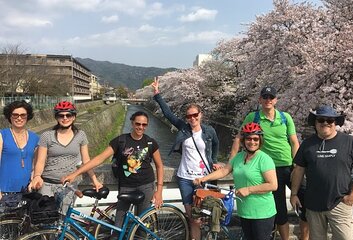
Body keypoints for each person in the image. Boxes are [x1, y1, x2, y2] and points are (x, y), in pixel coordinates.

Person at [62, 111, 164, 230]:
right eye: (138, 123)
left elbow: (159, 166)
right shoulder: (121, 141)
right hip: (126, 186)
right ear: (132, 123)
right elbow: (100, 158)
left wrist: (159, 191)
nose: (140, 127)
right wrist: (75, 174)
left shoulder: (150, 142)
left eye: (144, 125)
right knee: (118, 225)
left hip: (147, 185)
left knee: (142, 224)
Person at [152, 78, 221, 240]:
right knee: (193, 218)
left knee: (206, 215)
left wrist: (215, 160)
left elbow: (216, 144)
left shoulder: (209, 131)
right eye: (189, 116)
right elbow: (168, 114)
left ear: (200, 115)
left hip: (204, 178)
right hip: (185, 178)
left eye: (195, 115)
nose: (192, 118)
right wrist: (157, 94)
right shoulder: (183, 128)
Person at [229, 86, 300, 240]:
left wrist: (297, 165)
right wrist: (231, 163)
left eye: (271, 97)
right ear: (260, 99)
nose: (268, 100)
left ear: (276, 100)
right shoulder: (253, 117)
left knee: (306, 202)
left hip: (288, 165)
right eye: (265, 97)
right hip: (270, 168)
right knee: (280, 209)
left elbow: (294, 142)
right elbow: (238, 138)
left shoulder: (285, 117)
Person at [194, 122, 278, 240]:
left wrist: (249, 189)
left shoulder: (264, 159)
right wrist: (204, 178)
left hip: (262, 212)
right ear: (243, 140)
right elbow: (224, 171)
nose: (252, 142)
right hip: (245, 211)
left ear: (260, 140)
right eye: (249, 139)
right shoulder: (239, 157)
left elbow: (273, 185)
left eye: (255, 139)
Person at [290, 105, 353, 240]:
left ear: (335, 123)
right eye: (321, 120)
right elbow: (299, 169)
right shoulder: (307, 144)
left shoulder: (349, 142)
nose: (325, 123)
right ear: (315, 123)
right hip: (313, 205)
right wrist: (293, 194)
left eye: (330, 120)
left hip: (340, 202)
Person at [29, 101, 102, 213]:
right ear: (56, 117)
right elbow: (40, 161)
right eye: (61, 115)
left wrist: (94, 180)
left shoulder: (80, 135)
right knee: (45, 220)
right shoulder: (47, 136)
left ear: (74, 117)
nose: (65, 118)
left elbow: (86, 161)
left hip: (68, 186)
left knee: (63, 221)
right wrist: (37, 176)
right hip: (47, 184)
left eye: (68, 115)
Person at [0, 101, 39, 202]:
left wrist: (33, 181)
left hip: (27, 192)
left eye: (23, 115)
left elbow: (35, 165)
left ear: (28, 116)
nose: (19, 118)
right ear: (10, 116)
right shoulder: (2, 135)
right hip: (5, 192)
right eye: (15, 115)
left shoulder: (35, 138)